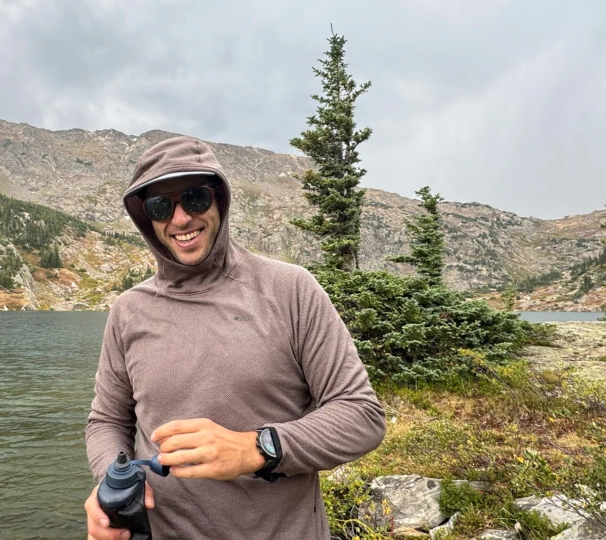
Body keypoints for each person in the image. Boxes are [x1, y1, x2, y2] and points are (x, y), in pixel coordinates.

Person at [84, 136, 386, 540]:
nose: (180, 220)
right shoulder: (128, 310)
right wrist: (112, 483)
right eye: (161, 206)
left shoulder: (290, 289)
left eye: (194, 198)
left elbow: (361, 414)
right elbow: (107, 420)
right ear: (146, 218)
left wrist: (258, 449)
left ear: (219, 200)